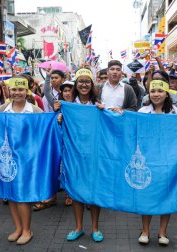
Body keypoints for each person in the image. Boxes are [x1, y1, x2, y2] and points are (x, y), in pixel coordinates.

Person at [57, 68, 104, 243]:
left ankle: (95, 228)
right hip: (74, 155)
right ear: (76, 85)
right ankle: (78, 227)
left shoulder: (98, 105)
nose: (84, 84)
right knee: (76, 191)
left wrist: (105, 111)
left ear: (92, 85)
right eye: (80, 81)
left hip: (94, 155)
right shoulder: (67, 106)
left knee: (94, 191)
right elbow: (59, 129)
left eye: (87, 81)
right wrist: (59, 119)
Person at [0, 77, 43, 245]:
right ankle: (17, 228)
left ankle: (27, 230)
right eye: (14, 90)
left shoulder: (35, 111)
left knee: (23, 195)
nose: (17, 93)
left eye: (20, 89)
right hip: (8, 159)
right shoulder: (2, 109)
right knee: (10, 194)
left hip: (28, 160)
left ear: (26, 91)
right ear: (9, 91)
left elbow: (44, 131)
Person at [137, 79, 177, 246]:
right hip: (147, 160)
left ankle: (162, 232)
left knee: (166, 195)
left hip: (169, 161)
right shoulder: (142, 111)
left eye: (160, 91)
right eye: (153, 91)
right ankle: (145, 231)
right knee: (147, 195)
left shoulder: (174, 112)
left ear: (166, 93)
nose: (156, 94)